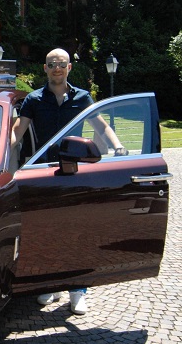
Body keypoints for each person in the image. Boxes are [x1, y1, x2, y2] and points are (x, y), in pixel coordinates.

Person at [11, 48, 127, 315]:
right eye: (52, 64)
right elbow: (18, 130)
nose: (56, 68)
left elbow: (102, 127)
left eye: (61, 64)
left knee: (76, 231)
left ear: (69, 68)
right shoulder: (34, 99)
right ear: (45, 68)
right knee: (46, 231)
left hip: (75, 171)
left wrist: (118, 146)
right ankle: (48, 285)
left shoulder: (83, 97)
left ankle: (77, 291)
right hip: (44, 173)